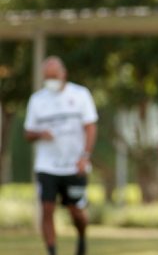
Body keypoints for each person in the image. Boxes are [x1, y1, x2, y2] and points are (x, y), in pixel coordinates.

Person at [24, 56, 98, 255]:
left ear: (63, 74)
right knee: (47, 209)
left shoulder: (81, 95)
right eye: (47, 77)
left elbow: (90, 127)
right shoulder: (37, 100)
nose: (51, 81)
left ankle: (82, 237)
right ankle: (52, 251)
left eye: (54, 76)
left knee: (76, 212)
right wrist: (40, 134)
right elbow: (28, 133)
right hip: (47, 165)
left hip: (74, 165)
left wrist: (85, 156)